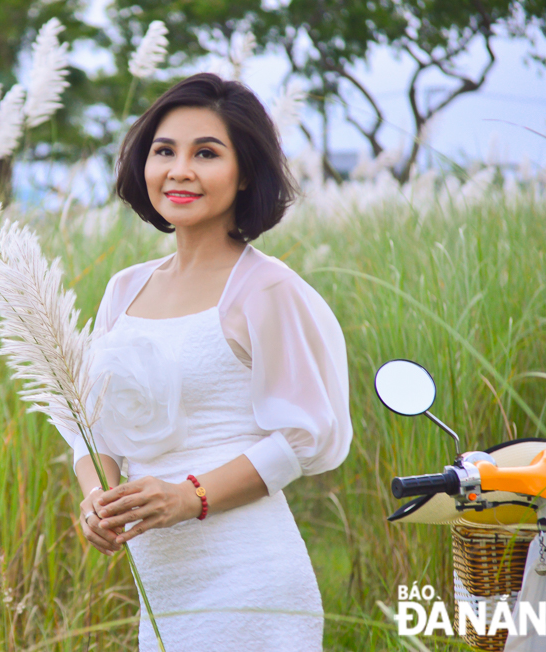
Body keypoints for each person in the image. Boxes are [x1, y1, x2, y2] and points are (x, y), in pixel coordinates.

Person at [66, 73, 353, 651]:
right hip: (163, 588)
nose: (179, 170)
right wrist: (96, 498)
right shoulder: (125, 289)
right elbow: (92, 423)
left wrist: (186, 496)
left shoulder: (265, 288)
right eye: (164, 151)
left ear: (244, 172)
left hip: (249, 576)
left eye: (206, 153)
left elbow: (303, 437)